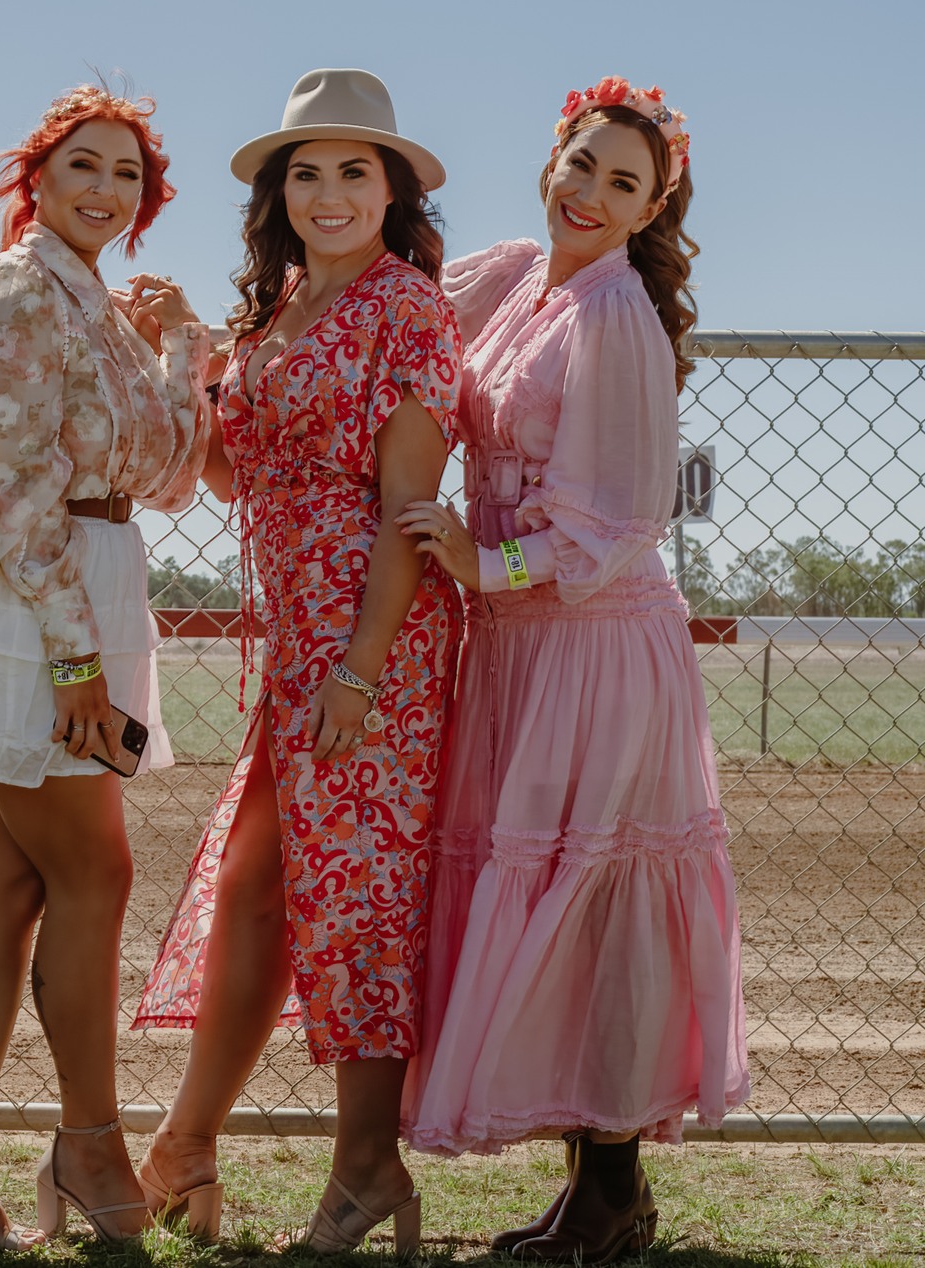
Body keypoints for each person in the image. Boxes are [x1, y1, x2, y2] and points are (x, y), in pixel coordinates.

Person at [398, 76, 748, 1263]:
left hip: (593, 644)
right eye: (579, 164)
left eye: (621, 183)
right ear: (548, 158)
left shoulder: (615, 320)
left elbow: (607, 531)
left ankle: (611, 1193)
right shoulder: (507, 279)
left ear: (651, 212)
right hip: (518, 647)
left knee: (591, 913)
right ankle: (595, 1191)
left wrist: (471, 552)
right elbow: (393, 316)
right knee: (549, 897)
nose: (588, 193)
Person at [134, 69, 461, 1252]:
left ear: (392, 190)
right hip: (290, 644)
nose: (327, 193)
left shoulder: (405, 308)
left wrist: (360, 667)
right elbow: (237, 477)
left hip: (374, 643)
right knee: (256, 890)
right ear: (279, 194)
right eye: (305, 173)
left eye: (352, 172)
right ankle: (185, 1145)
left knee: (357, 900)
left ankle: (365, 1166)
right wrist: (187, 348)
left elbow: (407, 512)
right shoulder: (272, 313)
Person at [0, 84, 213, 1247]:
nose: (103, 190)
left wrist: (183, 341)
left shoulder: (101, 306)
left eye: (125, 175)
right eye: (81, 165)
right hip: (33, 604)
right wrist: (74, 658)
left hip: (98, 575)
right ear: (33, 178)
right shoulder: (16, 289)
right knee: (96, 874)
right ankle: (91, 1143)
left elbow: (174, 474)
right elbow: (4, 478)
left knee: (15, 884)